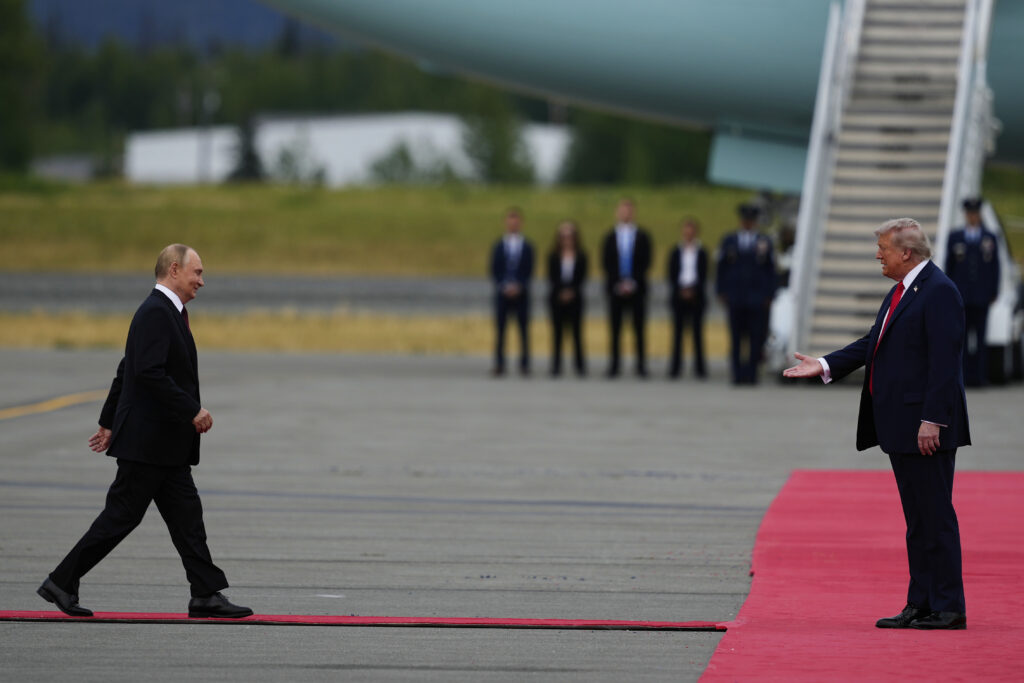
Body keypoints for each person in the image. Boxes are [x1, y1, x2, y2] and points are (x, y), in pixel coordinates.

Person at [37, 244, 252, 619]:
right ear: (173, 270)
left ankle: (205, 594)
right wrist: (192, 410)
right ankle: (61, 581)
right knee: (120, 517)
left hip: (164, 446)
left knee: (188, 517)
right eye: (197, 272)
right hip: (148, 444)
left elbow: (126, 369)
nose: (202, 280)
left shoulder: (168, 313)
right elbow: (146, 373)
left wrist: (107, 422)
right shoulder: (156, 312)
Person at [784, 217, 969, 631]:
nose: (877, 255)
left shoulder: (939, 292)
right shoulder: (902, 291)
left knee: (935, 516)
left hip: (926, 428)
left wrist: (932, 420)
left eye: (883, 248)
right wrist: (826, 363)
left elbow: (945, 363)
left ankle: (948, 606)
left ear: (906, 252)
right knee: (917, 520)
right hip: (901, 425)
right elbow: (874, 342)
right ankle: (920, 602)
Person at [716, 203, 777, 385]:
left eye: (751, 220)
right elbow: (721, 268)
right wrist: (721, 291)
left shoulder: (764, 241)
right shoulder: (729, 240)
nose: (748, 223)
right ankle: (737, 374)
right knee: (736, 338)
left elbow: (770, 270)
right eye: (745, 220)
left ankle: (751, 374)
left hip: (756, 298)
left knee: (755, 338)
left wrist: (769, 294)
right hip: (735, 297)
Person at [944, 197, 1000, 386]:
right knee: (962, 338)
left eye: (975, 214)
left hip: (982, 295)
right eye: (970, 214)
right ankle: (964, 376)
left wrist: (994, 291)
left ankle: (980, 376)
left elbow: (995, 267)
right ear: (966, 215)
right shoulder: (956, 237)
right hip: (962, 295)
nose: (973, 217)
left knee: (981, 337)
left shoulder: (989, 237)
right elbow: (949, 266)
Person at [601, 198, 653, 378]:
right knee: (615, 329)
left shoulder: (642, 236)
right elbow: (606, 262)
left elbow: (646, 261)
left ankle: (640, 366)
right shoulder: (610, 236)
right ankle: (614, 365)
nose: (626, 213)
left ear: (634, 213)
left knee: (639, 329)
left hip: (637, 288)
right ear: (617, 212)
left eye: (629, 210)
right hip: (616, 288)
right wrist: (618, 283)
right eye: (623, 209)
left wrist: (632, 282)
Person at [489, 207, 534, 376]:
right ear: (505, 223)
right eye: (510, 220)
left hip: (521, 294)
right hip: (503, 294)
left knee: (523, 330)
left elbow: (529, 269)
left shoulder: (527, 246)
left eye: (516, 220)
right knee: (501, 329)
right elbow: (494, 269)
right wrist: (504, 286)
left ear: (521, 223)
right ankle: (500, 363)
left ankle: (524, 364)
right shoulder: (499, 245)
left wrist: (519, 286)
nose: (513, 223)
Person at [666, 217, 708, 379]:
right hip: (679, 294)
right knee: (677, 334)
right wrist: (681, 290)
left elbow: (703, 274)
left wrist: (693, 290)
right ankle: (675, 367)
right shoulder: (676, 251)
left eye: (692, 230)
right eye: (686, 230)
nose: (689, 233)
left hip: (696, 296)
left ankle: (700, 368)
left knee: (697, 333)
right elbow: (671, 273)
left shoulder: (701, 251)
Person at [546, 220, 588, 377]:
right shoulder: (553, 256)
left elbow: (582, 277)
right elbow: (552, 277)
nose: (567, 239)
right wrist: (561, 292)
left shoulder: (581, 256)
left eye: (570, 235)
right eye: (563, 235)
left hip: (575, 299)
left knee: (577, 333)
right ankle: (556, 365)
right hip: (557, 299)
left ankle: (579, 366)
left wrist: (571, 292)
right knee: (557, 333)